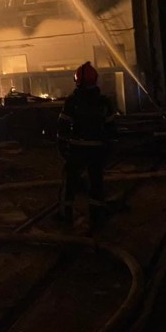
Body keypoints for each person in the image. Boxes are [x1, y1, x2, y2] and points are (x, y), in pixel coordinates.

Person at [57, 61, 117, 231]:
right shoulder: (104, 102)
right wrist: (108, 151)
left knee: (69, 184)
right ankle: (96, 218)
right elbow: (111, 130)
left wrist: (63, 149)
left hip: (76, 151)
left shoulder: (72, 101)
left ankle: (65, 216)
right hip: (97, 151)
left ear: (77, 81)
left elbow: (62, 128)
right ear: (95, 80)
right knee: (96, 184)